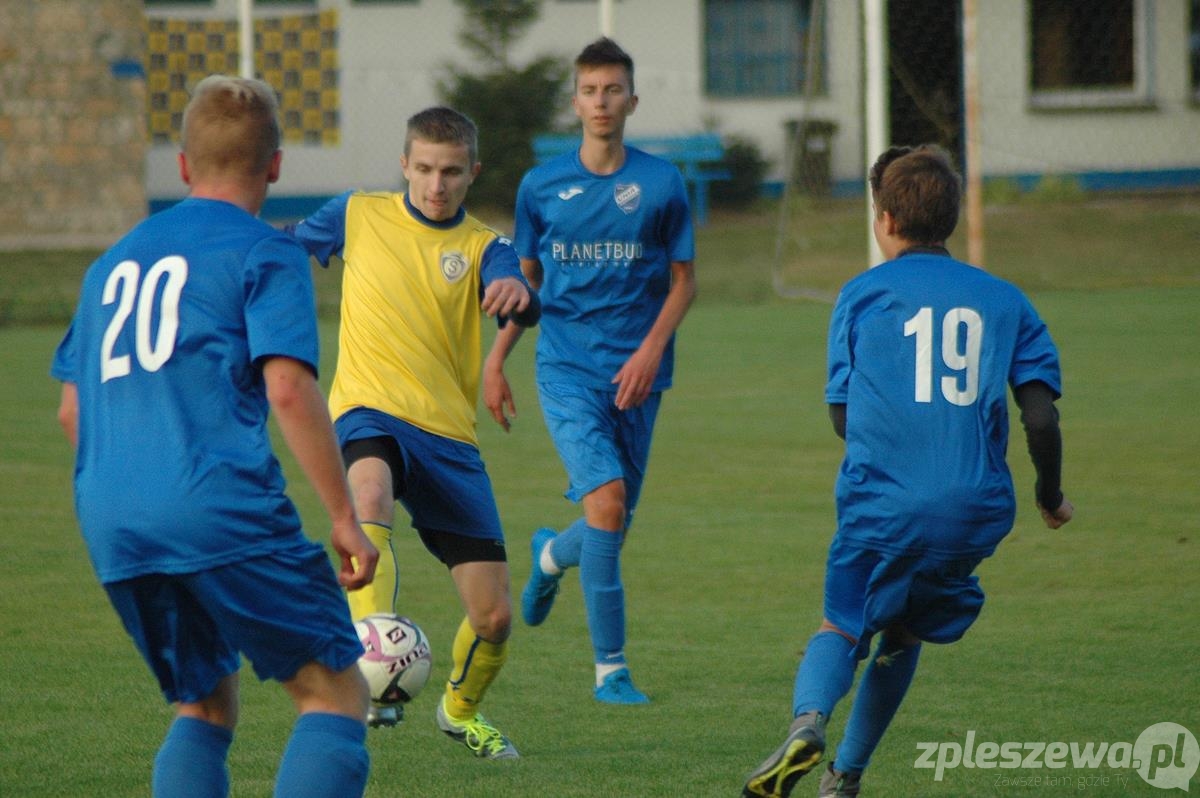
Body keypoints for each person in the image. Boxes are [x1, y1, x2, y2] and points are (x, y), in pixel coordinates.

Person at [51, 75, 380, 798]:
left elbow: (72, 413)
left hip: (113, 521)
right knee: (333, 694)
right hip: (216, 504)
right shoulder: (265, 252)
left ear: (182, 165)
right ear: (275, 165)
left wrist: (136, 499)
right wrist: (343, 517)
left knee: (204, 704)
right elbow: (288, 389)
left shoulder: (109, 266)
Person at [741, 144, 1075, 798]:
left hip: (884, 505)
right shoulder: (1006, 300)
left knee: (843, 625)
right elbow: (1041, 418)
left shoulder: (862, 293)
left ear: (887, 220)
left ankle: (808, 724)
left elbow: (842, 415)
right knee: (905, 633)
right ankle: (845, 778)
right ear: (950, 219)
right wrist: (1051, 495)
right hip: (972, 512)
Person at [285, 106, 540, 758]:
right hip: (368, 410)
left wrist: (513, 292)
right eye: (424, 168)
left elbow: (514, 284)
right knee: (368, 493)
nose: (436, 184)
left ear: (472, 172)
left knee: (494, 617)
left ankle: (460, 712)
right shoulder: (357, 213)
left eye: (451, 172)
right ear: (404, 165)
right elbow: (285, 246)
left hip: (449, 439)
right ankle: (373, 661)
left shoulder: (485, 245)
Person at [486, 37, 697, 705]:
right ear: (574, 102)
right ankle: (611, 672)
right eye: (589, 91)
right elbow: (527, 285)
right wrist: (496, 360)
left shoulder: (661, 183)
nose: (601, 101)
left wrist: (650, 350)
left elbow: (684, 281)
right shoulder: (541, 186)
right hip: (566, 368)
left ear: (632, 100)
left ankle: (551, 556)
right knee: (606, 503)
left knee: (613, 522)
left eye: (612, 90)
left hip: (639, 377)